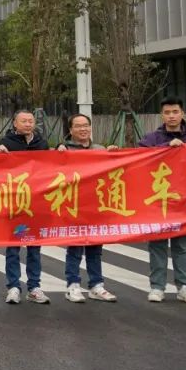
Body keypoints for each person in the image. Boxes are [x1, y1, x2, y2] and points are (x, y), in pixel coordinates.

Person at [139, 97, 186, 305]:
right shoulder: (151, 139)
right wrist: (166, 147)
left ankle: (185, 287)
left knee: (181, 247)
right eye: (167, 112)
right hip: (157, 202)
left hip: (183, 203)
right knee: (158, 245)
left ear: (182, 113)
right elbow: (139, 160)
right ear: (162, 115)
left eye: (175, 112)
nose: (171, 116)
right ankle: (157, 287)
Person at [56, 113, 118, 303]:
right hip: (74, 205)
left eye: (86, 125)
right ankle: (73, 285)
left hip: (96, 206)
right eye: (78, 126)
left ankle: (96, 285)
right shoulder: (64, 150)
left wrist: (114, 154)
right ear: (71, 130)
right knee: (75, 247)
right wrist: (57, 153)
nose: (83, 129)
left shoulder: (100, 149)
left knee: (95, 248)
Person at [0, 110, 51, 305]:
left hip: (36, 205)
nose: (27, 124)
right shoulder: (6, 143)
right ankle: (13, 287)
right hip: (15, 206)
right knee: (13, 247)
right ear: (15, 123)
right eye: (23, 121)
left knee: (34, 247)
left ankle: (34, 287)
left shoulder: (42, 144)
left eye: (30, 121)